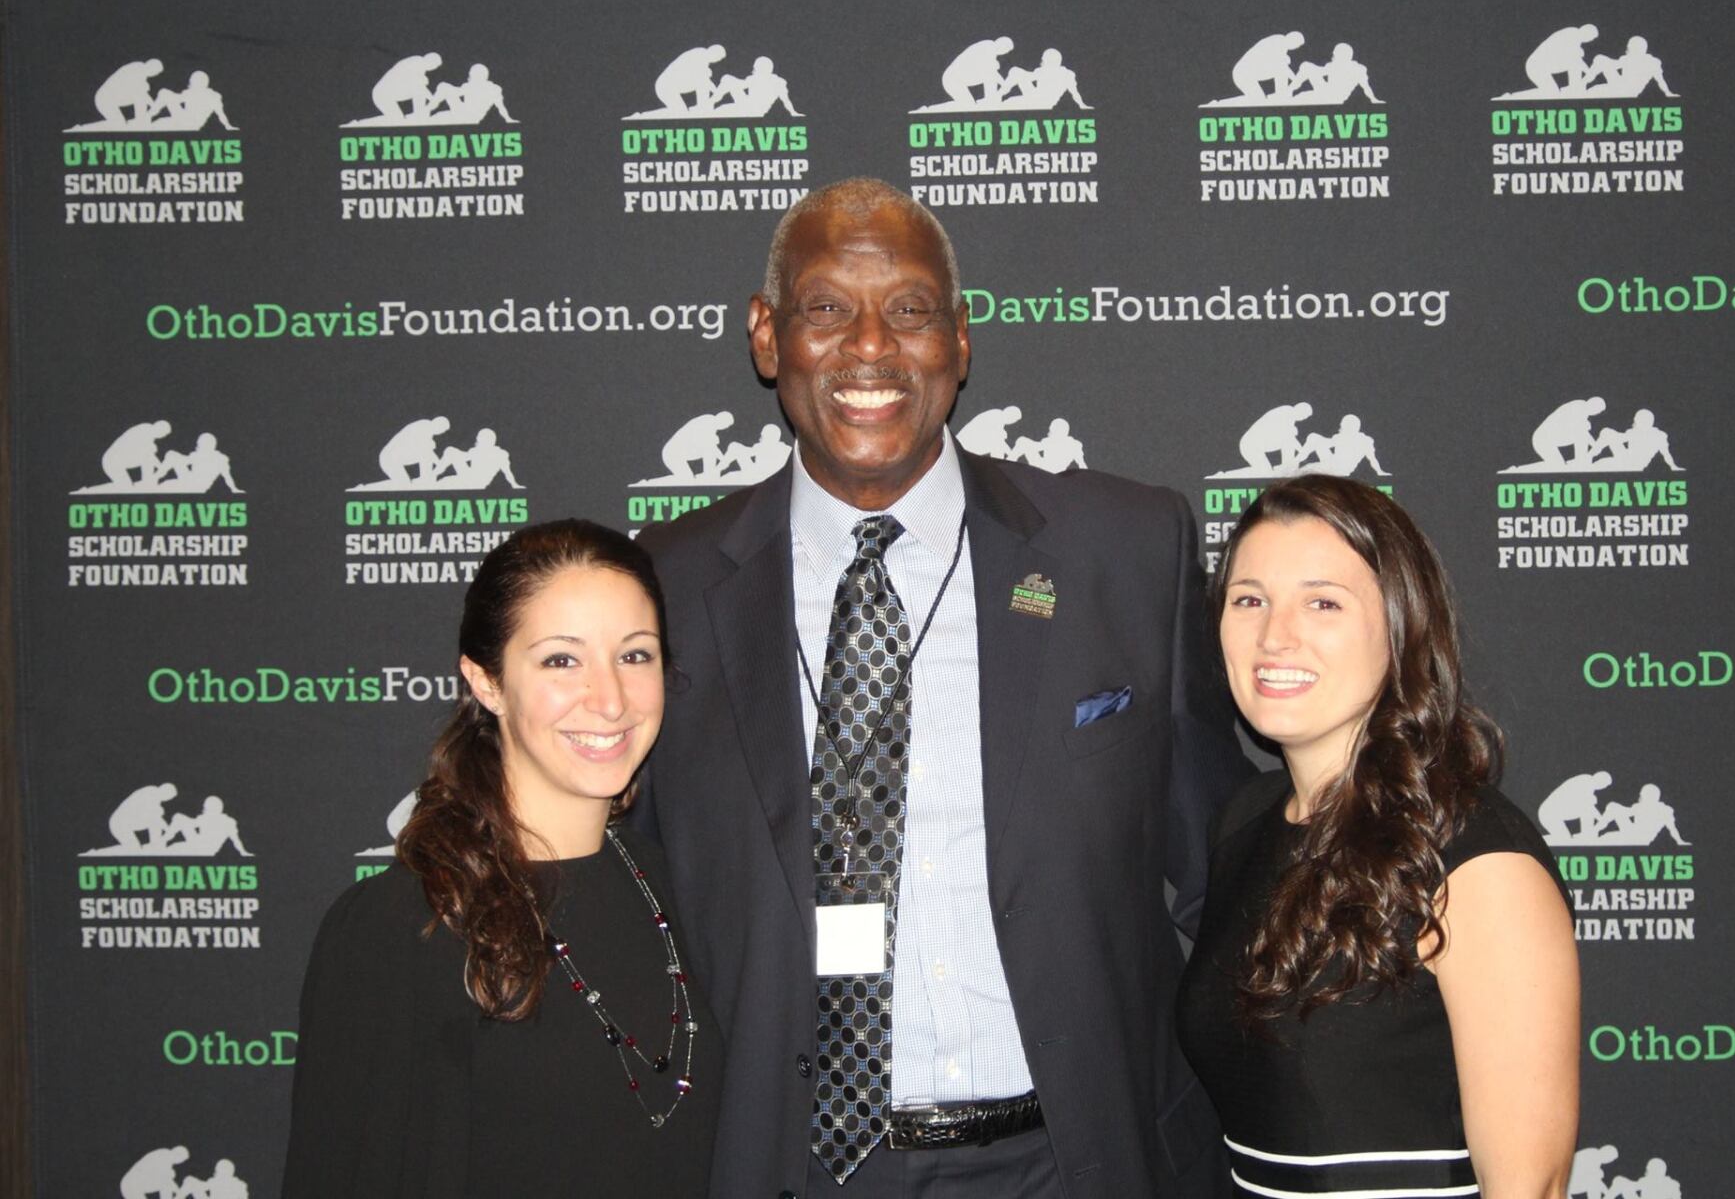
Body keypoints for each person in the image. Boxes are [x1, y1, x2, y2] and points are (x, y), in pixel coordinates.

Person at [639, 177, 1250, 1196]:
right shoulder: (665, 588)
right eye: (826, 308)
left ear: (960, 341)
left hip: (1075, 1158)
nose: (871, 346)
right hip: (801, 1166)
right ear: (765, 335)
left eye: (911, 309)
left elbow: (1228, 879)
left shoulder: (1122, 553)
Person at [285, 520, 720, 1197]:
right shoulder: (399, 926)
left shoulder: (673, 885)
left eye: (635, 656)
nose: (609, 700)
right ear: (487, 682)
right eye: (561, 660)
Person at [1179, 475, 1579, 1198]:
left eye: (1323, 602)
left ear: (1401, 624)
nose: (1276, 634)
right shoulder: (1245, 822)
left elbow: (1530, 1186)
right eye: (1250, 600)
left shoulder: (1476, 860)